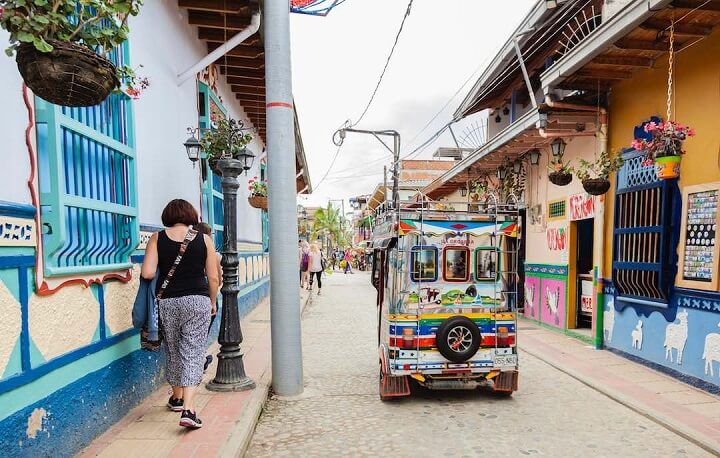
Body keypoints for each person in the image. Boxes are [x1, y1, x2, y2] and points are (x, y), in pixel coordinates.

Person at [141, 199, 219, 430]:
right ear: (190, 215)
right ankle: (189, 409)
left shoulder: (157, 238)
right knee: (193, 352)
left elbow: (147, 273)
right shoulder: (204, 239)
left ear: (167, 216)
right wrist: (212, 302)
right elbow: (213, 277)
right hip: (198, 300)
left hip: (168, 302)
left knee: (174, 350)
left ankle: (176, 399)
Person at [195, 222, 222, 372]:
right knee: (202, 333)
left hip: (186, 294)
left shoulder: (186, 248)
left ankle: (199, 361)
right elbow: (217, 279)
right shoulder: (215, 254)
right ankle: (200, 361)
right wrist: (212, 301)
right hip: (206, 296)